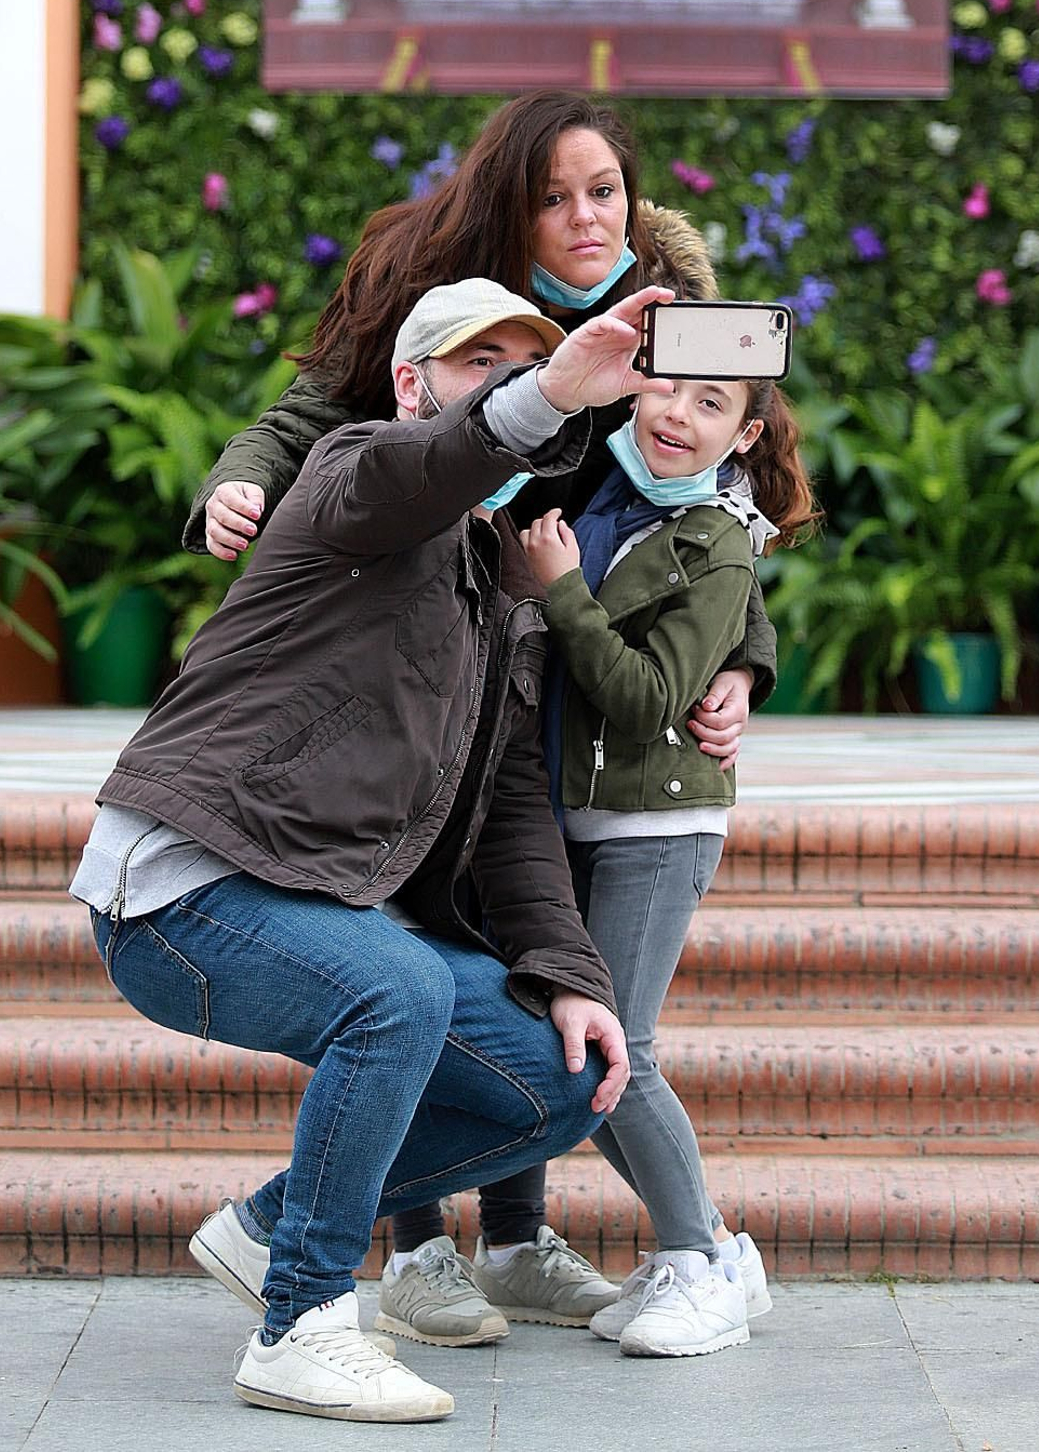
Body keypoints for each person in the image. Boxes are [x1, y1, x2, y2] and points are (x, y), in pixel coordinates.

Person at [194, 94, 777, 1345]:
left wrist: (744, 659)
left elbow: (729, 497)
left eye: (605, 190)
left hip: (579, 686)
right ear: (510, 203)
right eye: (555, 194)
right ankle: (419, 1252)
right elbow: (317, 418)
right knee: (427, 949)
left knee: (538, 969)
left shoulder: (667, 299)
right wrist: (242, 474)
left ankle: (514, 1239)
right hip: (455, 663)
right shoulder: (448, 299)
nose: (583, 217)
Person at [71, 278, 666, 1424]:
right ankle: (298, 1322)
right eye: (471, 362)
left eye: (522, 360)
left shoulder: (502, 584)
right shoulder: (351, 472)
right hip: (181, 885)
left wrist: (573, 976)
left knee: (562, 1073)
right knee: (391, 986)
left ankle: (266, 1227)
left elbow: (511, 809)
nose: (498, 381)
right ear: (410, 385)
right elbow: (427, 465)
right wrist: (544, 390)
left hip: (310, 904)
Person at [518, 361, 814, 1357]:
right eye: (667, 388)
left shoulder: (717, 540)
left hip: (654, 823)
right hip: (580, 814)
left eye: (711, 402)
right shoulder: (606, 486)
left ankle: (701, 1256)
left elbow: (646, 698)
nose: (676, 412)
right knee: (585, 1061)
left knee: (618, 1052)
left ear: (742, 436)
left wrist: (561, 590)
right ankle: (713, 1254)